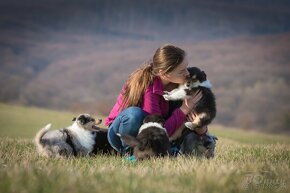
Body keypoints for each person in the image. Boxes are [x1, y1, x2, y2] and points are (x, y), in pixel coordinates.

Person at [105, 44, 207, 155]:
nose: (187, 73)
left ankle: (169, 151)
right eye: (181, 71)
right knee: (134, 115)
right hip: (120, 133)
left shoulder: (182, 86)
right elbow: (156, 130)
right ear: (163, 73)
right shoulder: (148, 86)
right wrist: (184, 109)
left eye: (186, 68)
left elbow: (196, 118)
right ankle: (129, 153)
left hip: (150, 137)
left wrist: (201, 127)